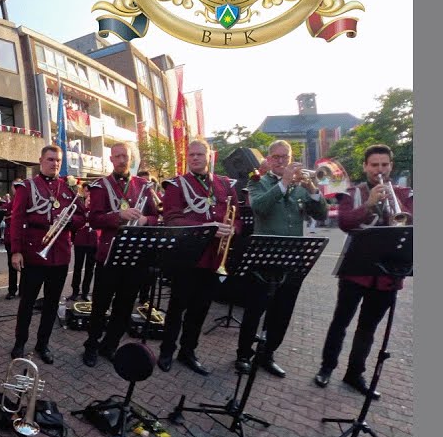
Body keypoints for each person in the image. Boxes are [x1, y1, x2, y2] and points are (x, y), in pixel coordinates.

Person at [315, 144, 413, 397]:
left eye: (384, 165)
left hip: (387, 275)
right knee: (341, 321)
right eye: (374, 165)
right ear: (365, 166)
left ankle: (354, 373)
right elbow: (346, 223)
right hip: (356, 271)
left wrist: (399, 209)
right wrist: (368, 205)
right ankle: (326, 367)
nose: (379, 170)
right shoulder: (353, 193)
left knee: (368, 327)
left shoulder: (404, 193)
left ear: (390, 166)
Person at [237, 140, 329, 378]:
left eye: (284, 157)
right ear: (268, 159)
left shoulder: (301, 187)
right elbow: (259, 207)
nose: (280, 161)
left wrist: (313, 191)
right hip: (264, 258)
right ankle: (243, 355)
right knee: (255, 310)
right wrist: (284, 182)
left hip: (292, 259)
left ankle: (267, 354)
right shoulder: (257, 182)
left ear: (290, 158)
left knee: (282, 312)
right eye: (276, 157)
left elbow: (321, 214)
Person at [158, 140, 241, 375]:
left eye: (200, 154)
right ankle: (167, 350)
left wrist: (233, 228)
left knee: (201, 308)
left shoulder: (225, 184)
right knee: (177, 307)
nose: (195, 158)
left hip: (215, 258)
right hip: (187, 257)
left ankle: (188, 351)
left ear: (209, 156)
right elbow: (172, 219)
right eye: (191, 155)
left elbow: (239, 217)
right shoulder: (176, 185)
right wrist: (209, 226)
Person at [82, 143, 159, 367]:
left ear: (131, 157)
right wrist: (119, 215)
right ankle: (91, 345)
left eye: (125, 156)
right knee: (100, 305)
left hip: (136, 255)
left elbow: (156, 217)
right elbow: (94, 219)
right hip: (109, 255)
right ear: (111, 159)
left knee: (125, 305)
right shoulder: (100, 186)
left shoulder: (143, 185)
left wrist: (146, 220)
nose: (122, 160)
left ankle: (110, 345)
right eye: (118, 156)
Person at [8, 145, 85, 363]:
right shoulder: (27, 186)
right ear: (41, 160)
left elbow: (82, 216)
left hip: (59, 255)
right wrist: (16, 251)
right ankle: (20, 342)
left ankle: (43, 344)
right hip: (34, 253)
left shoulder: (68, 188)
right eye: (50, 159)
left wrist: (69, 221)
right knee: (27, 302)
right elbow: (17, 220)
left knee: (52, 303)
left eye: (58, 160)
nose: (55, 164)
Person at [69, 183, 98, 301]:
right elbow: (75, 221)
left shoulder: (97, 206)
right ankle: (75, 291)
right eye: (87, 191)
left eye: (91, 192)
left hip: (93, 240)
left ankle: (85, 292)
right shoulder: (79, 205)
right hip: (80, 240)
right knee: (77, 267)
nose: (89, 194)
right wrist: (85, 207)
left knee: (90, 268)